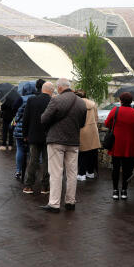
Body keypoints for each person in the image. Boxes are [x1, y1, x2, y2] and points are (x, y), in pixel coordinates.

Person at [39, 78, 87, 213]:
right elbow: (82, 124)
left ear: (59, 88)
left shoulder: (56, 100)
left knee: (56, 173)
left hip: (56, 141)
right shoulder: (81, 103)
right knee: (72, 173)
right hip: (73, 142)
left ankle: (54, 204)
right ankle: (70, 202)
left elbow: (44, 119)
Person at [104, 92, 134, 200]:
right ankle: (124, 190)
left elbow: (107, 123)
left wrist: (115, 127)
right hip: (130, 144)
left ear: (121, 100)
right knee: (127, 170)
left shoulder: (115, 110)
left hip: (117, 143)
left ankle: (115, 191)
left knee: (115, 168)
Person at [22, 82, 53, 194]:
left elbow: (26, 118)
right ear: (51, 90)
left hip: (33, 135)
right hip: (48, 136)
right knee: (46, 162)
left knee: (32, 161)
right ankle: (45, 187)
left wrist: (25, 134)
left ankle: (28, 185)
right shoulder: (52, 101)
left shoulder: (32, 100)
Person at [12, 81, 36, 180]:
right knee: (32, 151)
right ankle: (31, 172)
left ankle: (18, 171)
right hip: (31, 129)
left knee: (20, 149)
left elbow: (13, 109)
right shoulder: (35, 99)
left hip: (19, 129)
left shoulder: (20, 99)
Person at [76, 90, 101, 181]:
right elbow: (96, 118)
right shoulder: (93, 104)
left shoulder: (77, 104)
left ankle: (81, 174)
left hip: (81, 130)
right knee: (91, 152)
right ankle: (90, 172)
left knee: (82, 153)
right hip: (92, 130)